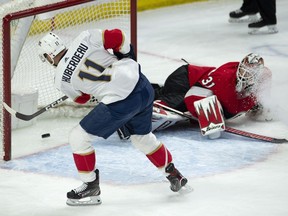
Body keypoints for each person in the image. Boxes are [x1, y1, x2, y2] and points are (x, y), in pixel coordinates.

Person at [37, 30, 189, 206]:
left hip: (122, 103)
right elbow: (117, 36)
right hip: (143, 87)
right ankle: (173, 173)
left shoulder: (60, 80)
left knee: (78, 137)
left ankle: (90, 185)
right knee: (142, 138)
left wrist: (91, 89)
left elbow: (82, 99)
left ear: (49, 55)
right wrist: (125, 55)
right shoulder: (84, 38)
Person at [151, 53, 273, 138]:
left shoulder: (263, 81)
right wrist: (211, 121)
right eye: (242, 70)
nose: (243, 75)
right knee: (175, 103)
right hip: (185, 80)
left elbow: (257, 103)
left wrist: (261, 108)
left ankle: (153, 91)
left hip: (191, 83)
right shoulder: (224, 77)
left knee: (163, 93)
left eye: (250, 72)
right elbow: (193, 94)